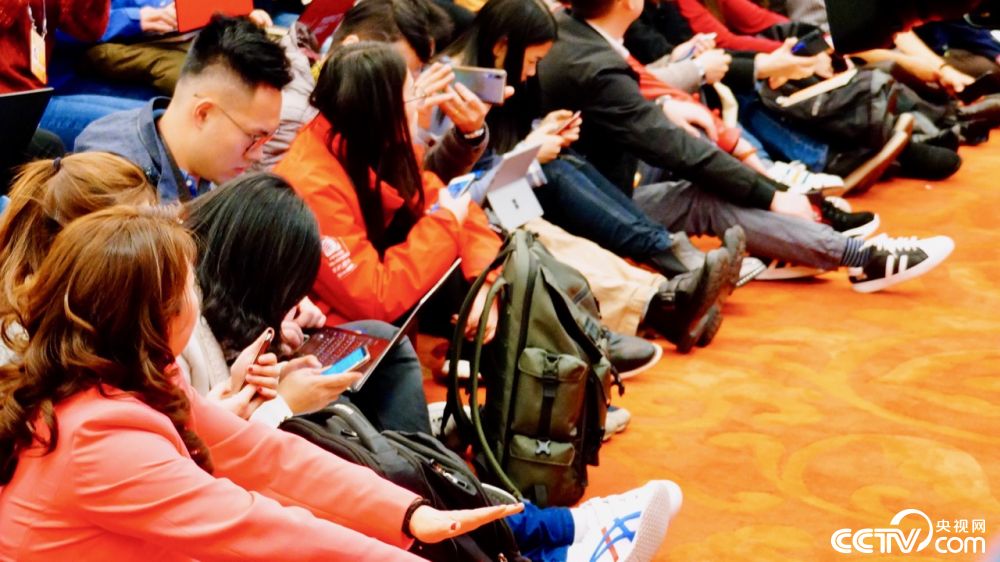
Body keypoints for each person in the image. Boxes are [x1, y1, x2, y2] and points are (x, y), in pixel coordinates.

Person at [0, 205, 521, 559]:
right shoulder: (98, 439)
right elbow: (249, 525)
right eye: (190, 287)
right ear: (155, 316)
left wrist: (408, 512)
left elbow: (264, 456)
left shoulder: (136, 376)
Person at [537, 0, 956, 293]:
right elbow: (675, 148)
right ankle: (856, 254)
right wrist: (772, 194)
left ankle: (791, 235)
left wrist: (667, 104)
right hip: (590, 206)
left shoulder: (577, 34)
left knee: (701, 132)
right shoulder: (592, 63)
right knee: (706, 184)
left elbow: (651, 89)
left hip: (595, 178)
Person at [438, 0, 745, 350]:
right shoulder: (452, 91)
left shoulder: (487, 80)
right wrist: (530, 153)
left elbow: (491, 159)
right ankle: (666, 289)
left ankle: (668, 292)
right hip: (472, 216)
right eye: (532, 62)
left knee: (560, 175)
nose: (531, 74)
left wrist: (538, 136)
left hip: (496, 201)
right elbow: (458, 188)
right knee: (545, 213)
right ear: (501, 46)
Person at [181, 172, 433, 432]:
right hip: (244, 440)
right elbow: (197, 443)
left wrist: (274, 363)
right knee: (339, 413)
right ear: (255, 282)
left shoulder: (207, 286)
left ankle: (416, 453)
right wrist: (284, 402)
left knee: (384, 341)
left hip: (247, 419)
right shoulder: (178, 328)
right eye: (285, 297)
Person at [75, 15, 292, 202]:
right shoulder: (115, 186)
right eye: (254, 138)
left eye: (267, 139)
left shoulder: (210, 172)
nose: (258, 155)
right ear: (204, 114)